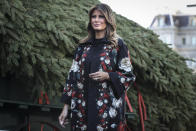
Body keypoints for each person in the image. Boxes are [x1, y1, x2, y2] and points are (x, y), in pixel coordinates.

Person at [59, 3, 136, 131]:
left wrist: (108, 75)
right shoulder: (83, 46)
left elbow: (128, 75)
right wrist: (66, 107)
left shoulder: (117, 45)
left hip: (107, 110)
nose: (96, 20)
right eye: (93, 16)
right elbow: (72, 76)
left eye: (101, 17)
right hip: (81, 107)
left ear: (108, 20)